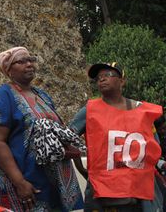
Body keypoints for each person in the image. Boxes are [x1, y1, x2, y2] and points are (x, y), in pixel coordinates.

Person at [0, 47, 84, 211]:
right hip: (22, 179)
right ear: (9, 70)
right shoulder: (2, 95)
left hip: (49, 180)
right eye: (21, 61)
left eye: (31, 60)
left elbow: (59, 132)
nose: (29, 64)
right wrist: (19, 182)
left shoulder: (42, 95)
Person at [70, 62, 164, 212]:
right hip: (105, 195)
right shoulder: (90, 110)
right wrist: (83, 170)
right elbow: (68, 137)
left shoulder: (143, 111)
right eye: (98, 77)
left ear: (122, 81)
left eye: (107, 75)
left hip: (140, 194)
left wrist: (160, 164)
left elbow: (152, 150)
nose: (101, 79)